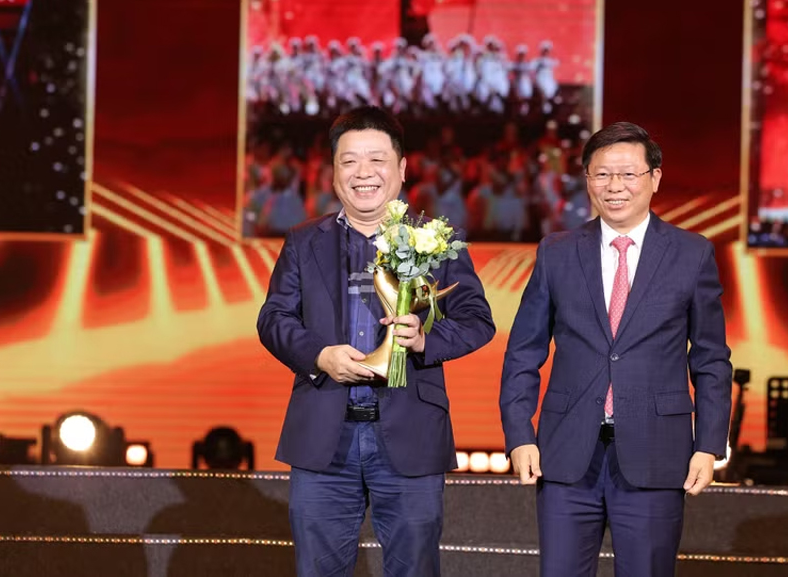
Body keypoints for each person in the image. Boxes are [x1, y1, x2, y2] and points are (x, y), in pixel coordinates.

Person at [257, 106, 495, 577]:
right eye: (349, 161)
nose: (362, 173)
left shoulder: (435, 239)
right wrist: (319, 356)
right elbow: (274, 318)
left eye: (377, 160)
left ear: (402, 169)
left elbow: (477, 320)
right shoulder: (303, 241)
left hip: (410, 434)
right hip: (324, 436)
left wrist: (425, 339)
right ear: (333, 173)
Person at [499, 122, 732, 576]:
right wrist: (519, 434)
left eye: (628, 174)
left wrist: (709, 444)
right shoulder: (557, 251)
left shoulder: (692, 253)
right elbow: (524, 351)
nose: (614, 186)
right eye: (602, 174)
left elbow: (710, 359)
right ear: (587, 180)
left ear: (654, 178)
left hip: (656, 453)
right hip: (566, 455)